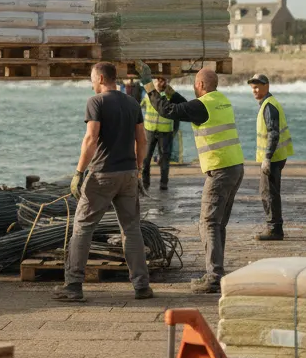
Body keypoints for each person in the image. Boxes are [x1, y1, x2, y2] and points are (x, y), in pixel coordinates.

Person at [53, 61, 152, 303]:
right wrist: (138, 170)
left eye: (91, 78)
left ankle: (73, 286)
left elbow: (91, 138)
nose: (91, 82)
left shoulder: (95, 102)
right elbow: (142, 140)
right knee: (131, 229)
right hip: (128, 173)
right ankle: (142, 286)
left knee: (83, 227)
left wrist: (78, 172)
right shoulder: (131, 102)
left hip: (102, 174)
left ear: (99, 78)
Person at [145, 68, 244, 294]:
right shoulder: (220, 101)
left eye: (194, 84)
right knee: (218, 224)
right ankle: (217, 271)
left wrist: (149, 87)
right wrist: (169, 90)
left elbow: (168, 111)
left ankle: (213, 277)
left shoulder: (202, 105)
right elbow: (185, 106)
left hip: (220, 170)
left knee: (208, 222)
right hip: (235, 167)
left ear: (199, 84)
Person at [248, 73, 293, 241]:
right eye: (253, 87)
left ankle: (274, 229)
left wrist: (267, 157)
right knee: (271, 192)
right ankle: (275, 227)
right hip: (276, 156)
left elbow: (273, 133)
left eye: (258, 86)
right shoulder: (268, 104)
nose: (254, 89)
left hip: (273, 158)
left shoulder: (269, 106)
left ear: (267, 86)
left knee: (268, 193)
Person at [141, 76, 177, 191]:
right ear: (155, 82)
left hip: (165, 131)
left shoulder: (171, 95)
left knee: (164, 159)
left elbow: (177, 114)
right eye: (159, 80)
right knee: (146, 159)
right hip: (149, 130)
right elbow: (139, 107)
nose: (161, 82)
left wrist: (174, 131)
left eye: (164, 80)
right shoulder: (148, 95)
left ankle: (163, 184)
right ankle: (145, 183)